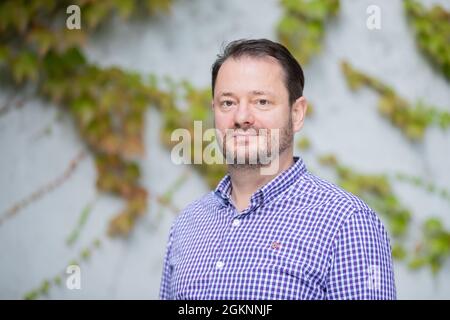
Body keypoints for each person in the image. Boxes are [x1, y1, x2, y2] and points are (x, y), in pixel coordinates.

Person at [159, 38, 396, 300]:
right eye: (228, 103)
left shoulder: (347, 224)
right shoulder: (189, 222)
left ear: (297, 114)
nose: (241, 118)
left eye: (261, 101)